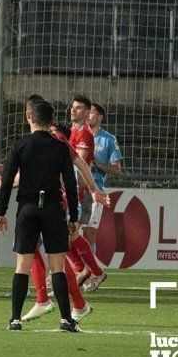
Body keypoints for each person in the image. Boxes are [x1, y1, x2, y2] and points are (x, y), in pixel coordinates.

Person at [0, 99, 81, 332]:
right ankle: (66, 319)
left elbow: (5, 182)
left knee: (22, 264)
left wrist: (1, 211)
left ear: (29, 116)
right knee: (58, 267)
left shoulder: (20, 145)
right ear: (51, 120)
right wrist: (74, 216)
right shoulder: (61, 147)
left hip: (28, 209)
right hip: (53, 209)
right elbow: (71, 185)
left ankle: (15, 319)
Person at [66, 95, 108, 291]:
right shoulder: (73, 131)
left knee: (69, 233)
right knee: (69, 233)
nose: (73, 110)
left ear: (87, 112)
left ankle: (88, 270)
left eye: (79, 108)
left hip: (77, 191)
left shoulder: (85, 135)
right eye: (73, 107)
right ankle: (87, 270)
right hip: (69, 190)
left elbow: (80, 167)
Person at [83, 102, 123, 253]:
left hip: (95, 191)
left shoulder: (108, 139)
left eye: (91, 112)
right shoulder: (76, 133)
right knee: (69, 232)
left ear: (100, 117)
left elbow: (117, 169)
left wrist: (96, 164)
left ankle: (91, 272)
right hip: (75, 190)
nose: (87, 115)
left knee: (89, 233)